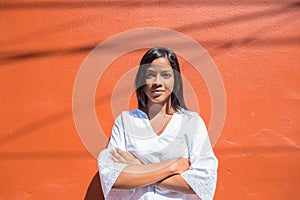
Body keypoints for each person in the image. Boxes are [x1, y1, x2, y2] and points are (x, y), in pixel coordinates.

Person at [98, 47, 218, 200]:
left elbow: (202, 183)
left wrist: (138, 169)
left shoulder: (192, 123)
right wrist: (172, 166)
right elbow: (113, 178)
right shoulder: (125, 122)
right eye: (150, 75)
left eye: (166, 75)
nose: (157, 83)